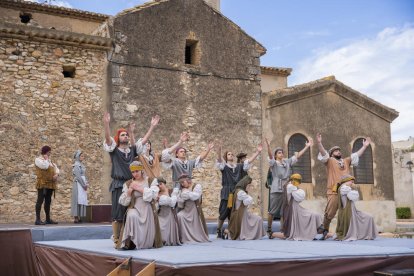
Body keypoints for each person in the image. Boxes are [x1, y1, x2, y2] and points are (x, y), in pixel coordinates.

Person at [103, 112, 159, 246]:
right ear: (118, 138)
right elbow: (108, 140)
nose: (126, 136)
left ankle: (129, 237)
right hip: (118, 184)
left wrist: (151, 127)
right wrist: (106, 125)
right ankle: (117, 238)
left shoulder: (132, 150)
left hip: (131, 183)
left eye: (126, 134)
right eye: (123, 135)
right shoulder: (114, 150)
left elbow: (144, 141)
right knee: (118, 212)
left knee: (131, 210)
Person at [316, 133, 371, 239]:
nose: (339, 152)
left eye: (339, 150)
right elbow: (323, 153)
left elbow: (356, 155)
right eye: (336, 151)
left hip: (347, 192)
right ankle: (324, 229)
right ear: (332, 154)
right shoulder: (330, 161)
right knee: (329, 212)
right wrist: (319, 143)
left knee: (346, 212)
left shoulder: (346, 161)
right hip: (334, 191)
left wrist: (364, 146)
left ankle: (345, 231)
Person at [265, 137, 313, 237]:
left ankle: (283, 229)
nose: (281, 154)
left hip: (286, 188)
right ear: (275, 155)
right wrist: (268, 146)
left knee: (284, 210)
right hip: (276, 189)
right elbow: (270, 156)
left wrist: (307, 147)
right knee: (272, 211)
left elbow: (297, 156)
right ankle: (269, 229)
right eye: (278, 153)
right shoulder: (273, 163)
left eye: (282, 152)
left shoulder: (287, 162)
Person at [215, 143, 263, 238]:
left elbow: (248, 162)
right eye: (229, 154)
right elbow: (220, 160)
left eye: (232, 154)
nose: (231, 155)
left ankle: (230, 231)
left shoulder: (239, 166)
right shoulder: (224, 166)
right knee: (223, 212)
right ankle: (219, 230)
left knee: (234, 212)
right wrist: (219, 151)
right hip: (227, 191)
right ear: (226, 156)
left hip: (236, 191)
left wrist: (257, 152)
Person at [118, 161, 161, 250]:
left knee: (145, 217)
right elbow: (123, 202)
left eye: (137, 171)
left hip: (147, 207)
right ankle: (129, 242)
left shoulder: (151, 181)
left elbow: (154, 195)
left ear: (141, 170)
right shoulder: (128, 183)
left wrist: (138, 188)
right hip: (135, 206)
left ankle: (144, 242)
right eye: (133, 172)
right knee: (131, 215)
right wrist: (129, 192)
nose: (135, 174)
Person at [271, 174, 322, 240]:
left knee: (315, 214)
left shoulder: (294, 187)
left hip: (297, 209)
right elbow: (299, 197)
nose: (297, 182)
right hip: (292, 211)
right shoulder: (289, 186)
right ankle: (272, 234)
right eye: (296, 180)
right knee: (289, 234)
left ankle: (317, 230)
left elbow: (300, 198)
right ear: (292, 180)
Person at [335, 174, 378, 241]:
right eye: (352, 182)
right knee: (368, 217)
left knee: (369, 217)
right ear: (347, 181)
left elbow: (354, 198)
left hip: (353, 211)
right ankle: (365, 235)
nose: (352, 183)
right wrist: (354, 188)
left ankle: (368, 235)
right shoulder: (344, 188)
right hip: (349, 213)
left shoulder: (346, 188)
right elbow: (354, 197)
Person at [227, 175, 265, 240]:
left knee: (258, 219)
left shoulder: (240, 191)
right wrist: (254, 198)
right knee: (258, 219)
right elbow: (248, 201)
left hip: (244, 214)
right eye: (249, 185)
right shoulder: (240, 192)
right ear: (245, 184)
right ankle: (247, 234)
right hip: (240, 216)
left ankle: (257, 235)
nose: (250, 187)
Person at [176, 174, 209, 243]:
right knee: (179, 216)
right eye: (181, 183)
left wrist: (185, 192)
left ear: (188, 181)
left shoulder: (196, 186)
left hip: (194, 210)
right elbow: (180, 202)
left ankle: (196, 236)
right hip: (186, 209)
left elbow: (195, 196)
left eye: (183, 182)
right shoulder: (182, 189)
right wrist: (182, 195)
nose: (182, 185)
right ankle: (184, 237)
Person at [34, 145, 59, 225]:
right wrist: (46, 159)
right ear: (45, 152)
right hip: (42, 183)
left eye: (50, 152)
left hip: (50, 184)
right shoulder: (38, 160)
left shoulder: (50, 161)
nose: (49, 153)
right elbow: (44, 167)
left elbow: (56, 168)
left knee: (48, 201)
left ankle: (48, 219)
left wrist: (56, 174)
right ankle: (37, 220)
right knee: (40, 200)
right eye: (48, 152)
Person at [156, 177, 181, 246]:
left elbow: (174, 203)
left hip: (170, 214)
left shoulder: (171, 191)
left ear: (164, 183)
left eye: (161, 184)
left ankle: (169, 239)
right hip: (161, 214)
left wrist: (172, 197)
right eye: (158, 185)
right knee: (160, 226)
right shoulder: (157, 194)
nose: (159, 186)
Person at [71, 150, 88, 223]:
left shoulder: (81, 165)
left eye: (83, 156)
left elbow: (84, 175)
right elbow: (78, 176)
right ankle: (76, 217)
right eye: (81, 156)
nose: (83, 157)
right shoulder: (76, 165)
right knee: (77, 199)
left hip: (82, 183)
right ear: (78, 157)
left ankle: (80, 215)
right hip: (78, 184)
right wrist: (83, 184)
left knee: (81, 199)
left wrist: (86, 183)